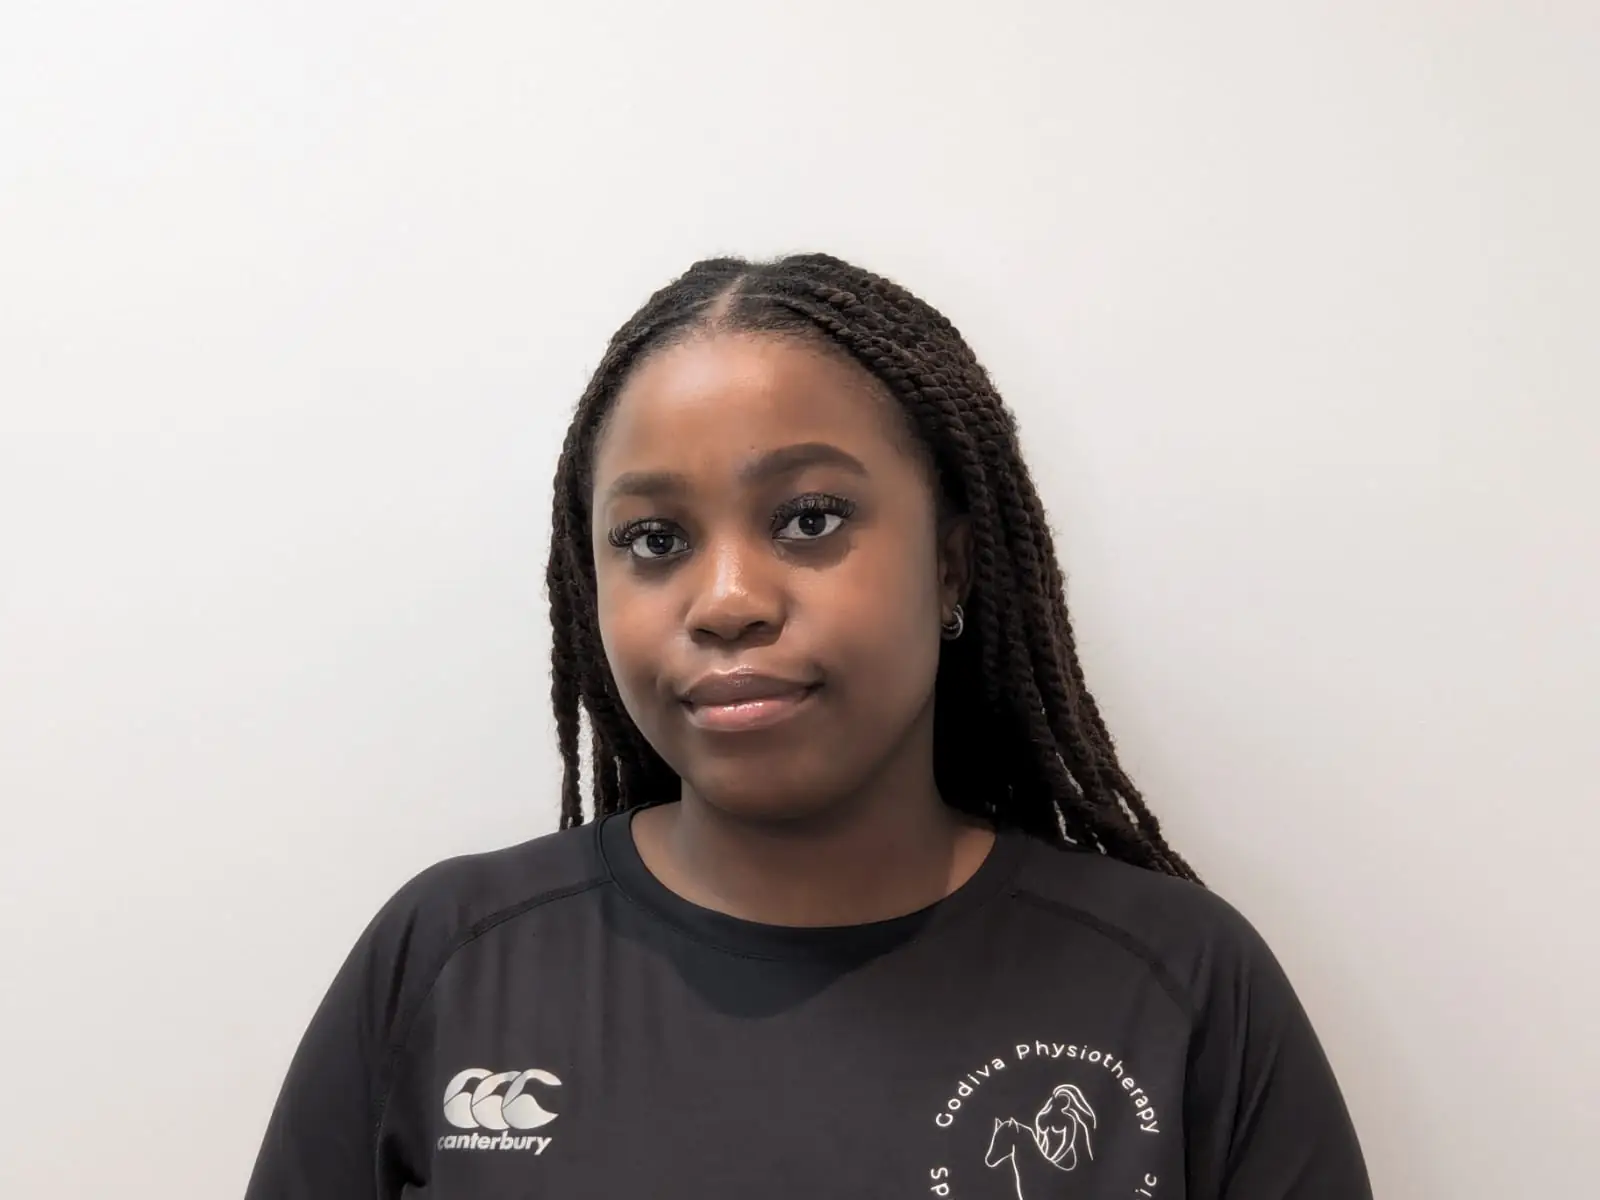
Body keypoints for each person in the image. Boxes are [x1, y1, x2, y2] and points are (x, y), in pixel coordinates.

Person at [245, 254, 1371, 1199]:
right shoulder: (448, 961)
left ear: (951, 564)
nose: (727, 598)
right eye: (653, 540)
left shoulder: (1178, 983)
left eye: (809, 518)